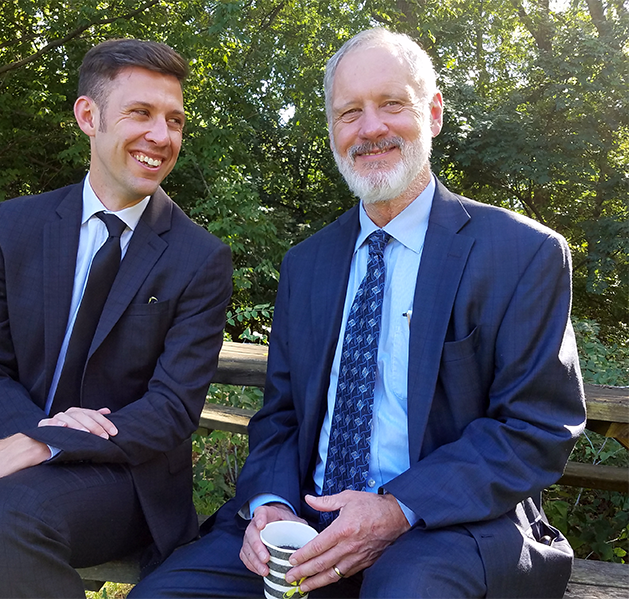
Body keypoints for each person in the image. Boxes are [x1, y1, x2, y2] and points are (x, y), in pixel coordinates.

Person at [130, 27, 586, 599]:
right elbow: (282, 415)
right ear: (332, 132)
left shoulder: (521, 252)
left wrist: (397, 507)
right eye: (350, 112)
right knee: (163, 593)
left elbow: (536, 426)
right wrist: (269, 504)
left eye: (391, 104)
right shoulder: (308, 263)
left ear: (434, 114)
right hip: (308, 520)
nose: (371, 128)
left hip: (449, 526)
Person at [0, 38, 233, 598]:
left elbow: (172, 410)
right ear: (88, 115)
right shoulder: (17, 225)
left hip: (126, 480)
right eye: (141, 113)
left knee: (4, 514)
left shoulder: (199, 258)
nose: (162, 135)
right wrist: (31, 438)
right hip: (14, 464)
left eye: (174, 120)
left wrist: (40, 443)